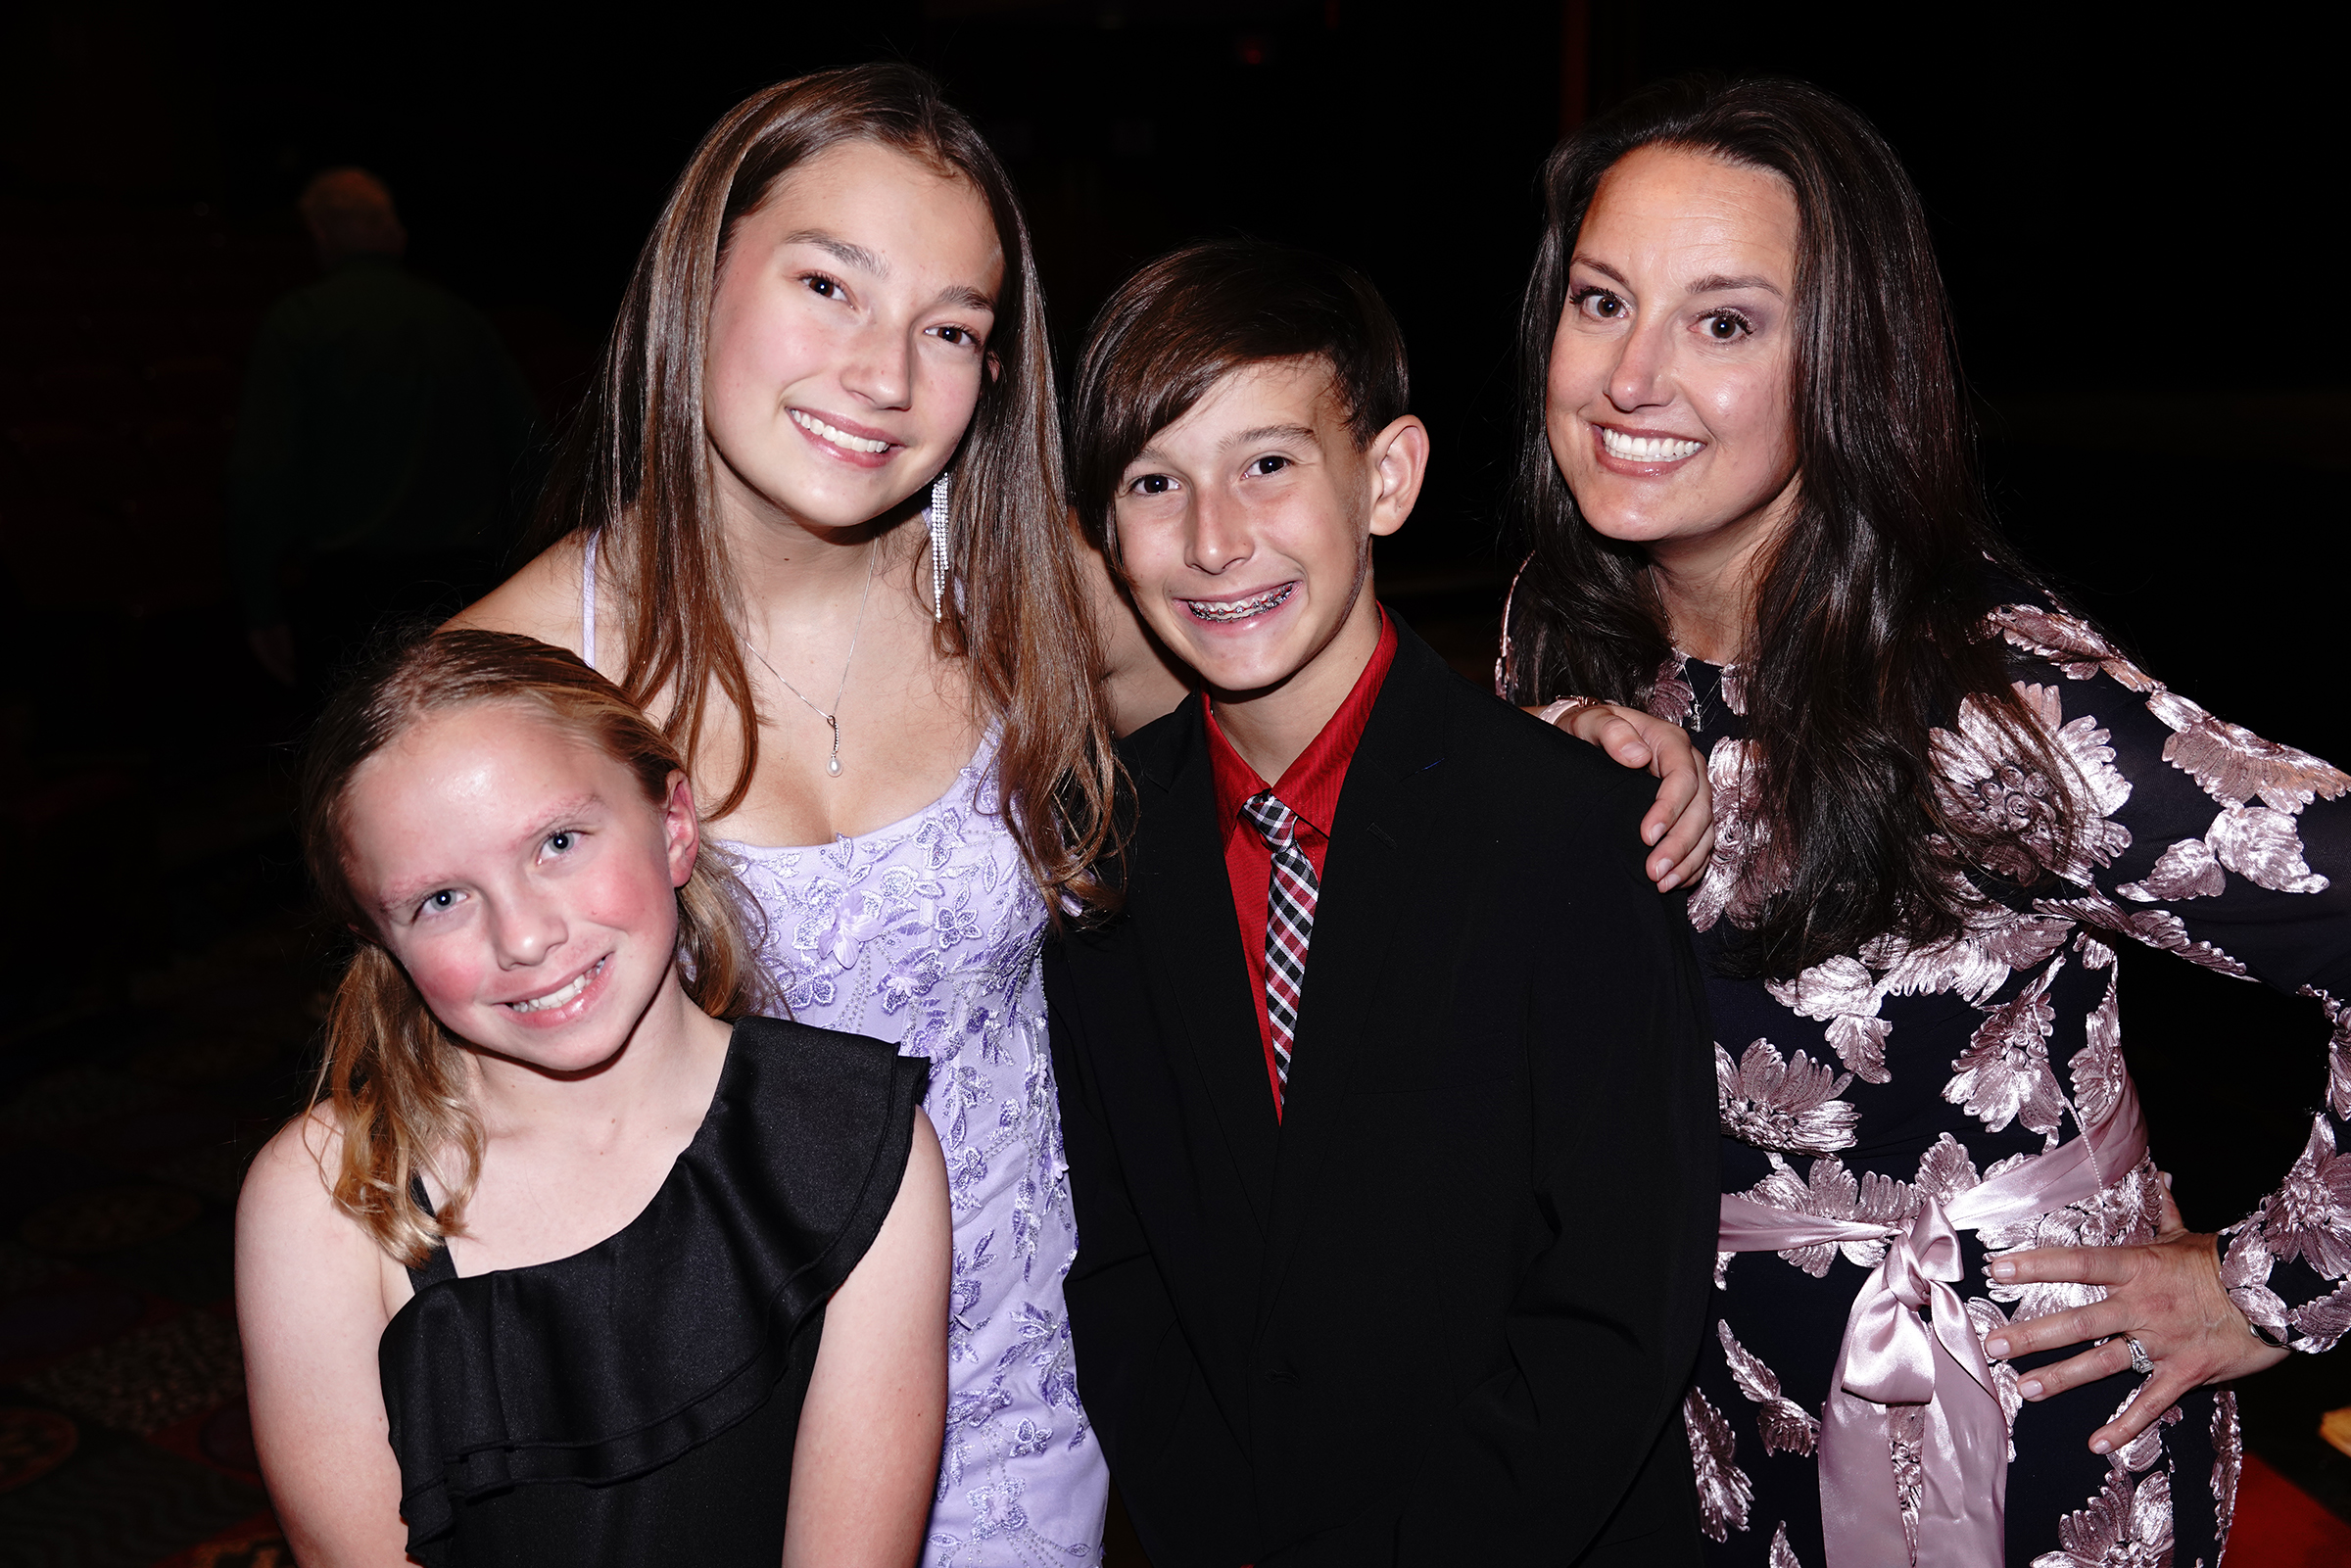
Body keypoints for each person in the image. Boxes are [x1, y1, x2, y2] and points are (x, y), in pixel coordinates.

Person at [454, 65, 1719, 1562]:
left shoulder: (1024, 578)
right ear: (698, 271)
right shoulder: (505, 688)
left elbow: (1286, 688)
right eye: (828, 285)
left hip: (1028, 1394)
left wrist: (1549, 753)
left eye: (950, 329)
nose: (881, 373)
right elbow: (449, 1135)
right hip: (723, 1398)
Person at [1497, 74, 2351, 1567]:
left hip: (2013, 1433)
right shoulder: (1559, 633)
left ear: (1848, 362)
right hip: (1705, 1419)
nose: (1632, 377)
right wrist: (1537, 796)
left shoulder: (1989, 711)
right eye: (1602, 300)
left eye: (1723, 323)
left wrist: (2268, 1288)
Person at [1046, 240, 1720, 1566]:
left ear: (1388, 477)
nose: (1215, 539)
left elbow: (1619, 1296)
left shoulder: (1565, 825)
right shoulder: (1104, 847)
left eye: (1269, 463)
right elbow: (1120, 1262)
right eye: (1154, 483)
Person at [234, 629, 948, 1566]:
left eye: (558, 843)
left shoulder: (851, 1142)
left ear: (674, 823)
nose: (524, 936)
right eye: (441, 899)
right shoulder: (327, 1199)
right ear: (383, 942)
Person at [228, 168, 542, 695]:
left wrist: (260, 604)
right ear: (391, 232)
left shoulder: (300, 322)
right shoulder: (458, 318)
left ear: (320, 232)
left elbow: (262, 472)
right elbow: (529, 449)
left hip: (348, 599)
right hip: (462, 587)